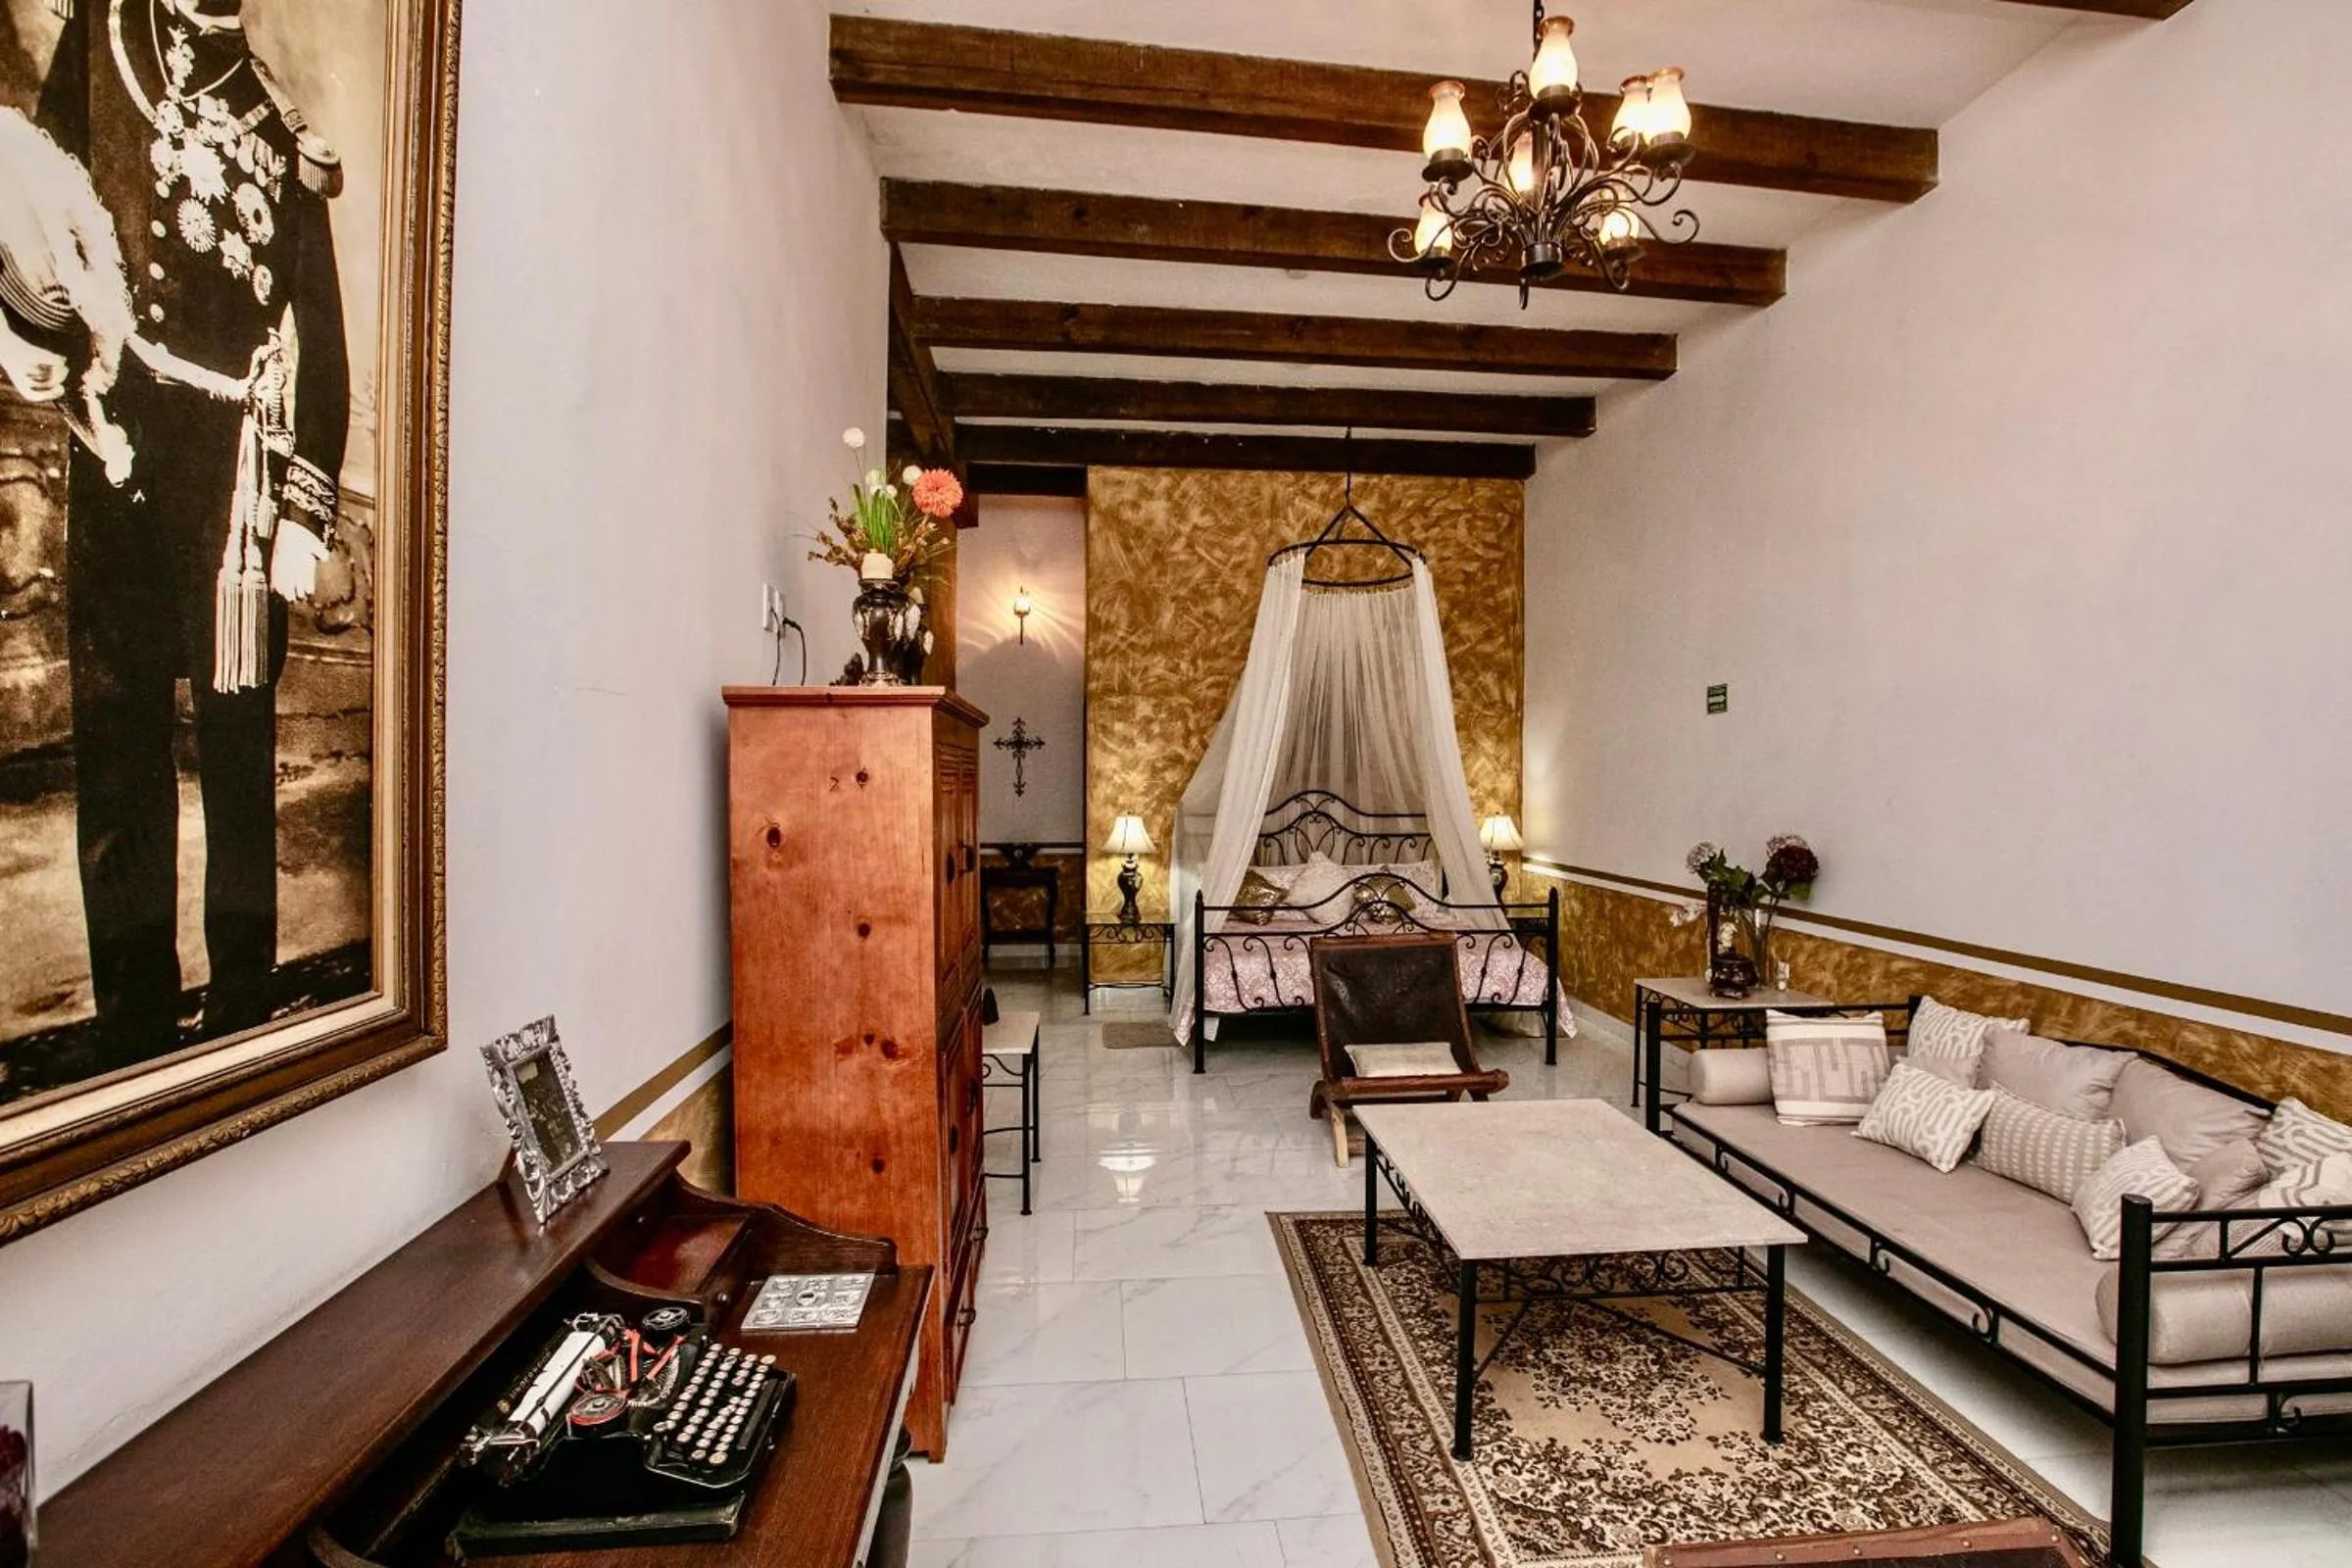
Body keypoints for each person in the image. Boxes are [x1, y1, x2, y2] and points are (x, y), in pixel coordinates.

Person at [37, 0, 348, 1047]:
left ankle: (242, 1004)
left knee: (235, 741)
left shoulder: (278, 131)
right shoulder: (102, 35)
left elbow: (322, 335)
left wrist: (304, 507)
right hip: (119, 435)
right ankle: (131, 1018)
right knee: (118, 732)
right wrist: (38, 344)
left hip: (234, 469)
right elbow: (33, 214)